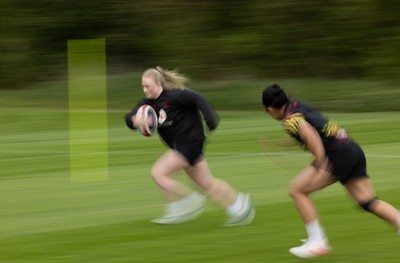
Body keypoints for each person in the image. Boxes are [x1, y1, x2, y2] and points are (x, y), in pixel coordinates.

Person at [261, 84, 400, 258]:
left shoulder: (289, 120)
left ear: (269, 109)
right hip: (351, 149)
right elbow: (314, 129)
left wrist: (321, 164)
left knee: (297, 190)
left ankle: (317, 242)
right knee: (367, 201)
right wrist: (280, 144)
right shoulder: (297, 106)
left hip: (336, 156)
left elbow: (309, 133)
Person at [125, 66, 255, 226]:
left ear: (158, 84)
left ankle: (188, 200)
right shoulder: (147, 104)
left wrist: (210, 119)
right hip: (183, 147)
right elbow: (129, 117)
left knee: (158, 173)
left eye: (148, 86)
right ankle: (240, 206)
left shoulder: (174, 96)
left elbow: (198, 98)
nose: (145, 90)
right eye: (143, 87)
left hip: (190, 143)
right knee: (207, 184)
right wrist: (134, 120)